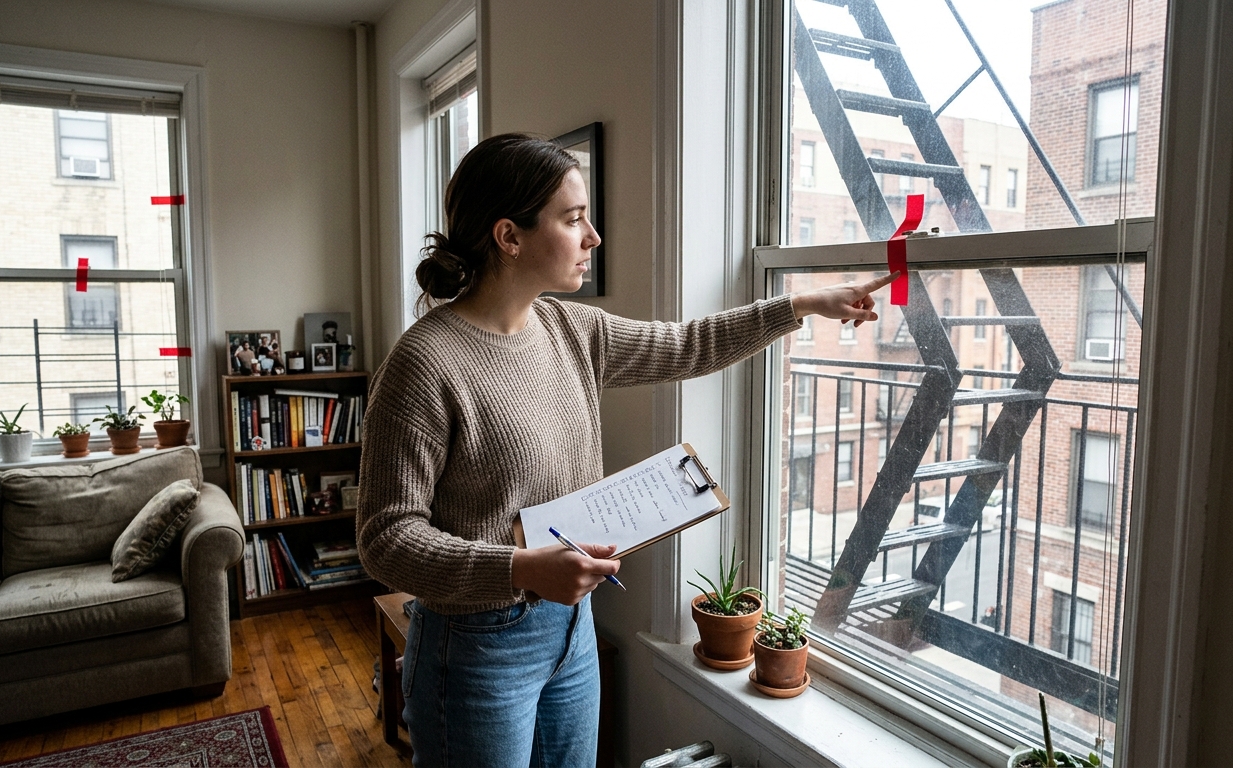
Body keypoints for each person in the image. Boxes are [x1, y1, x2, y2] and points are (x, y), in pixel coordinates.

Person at [356, 133, 895, 768]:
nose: (593, 237)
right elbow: (385, 538)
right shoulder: (422, 363)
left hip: (571, 630)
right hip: (474, 650)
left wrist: (802, 304)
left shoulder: (570, 329)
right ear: (510, 236)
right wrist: (522, 568)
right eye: (573, 217)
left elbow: (688, 345)